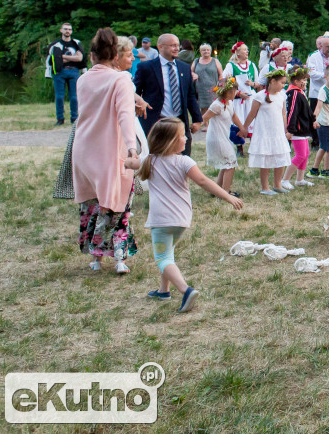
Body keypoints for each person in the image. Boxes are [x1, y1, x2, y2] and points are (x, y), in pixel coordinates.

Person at [137, 118, 243, 313]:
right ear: (170, 141)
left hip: (161, 221)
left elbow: (131, 163)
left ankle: (185, 290)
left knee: (162, 258)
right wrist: (227, 196)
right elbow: (203, 182)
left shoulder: (149, 161)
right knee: (168, 254)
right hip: (181, 220)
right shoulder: (184, 161)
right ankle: (163, 290)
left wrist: (124, 160)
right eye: (182, 136)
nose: (186, 138)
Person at [73, 28, 140, 274]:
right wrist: (132, 149)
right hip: (110, 150)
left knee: (93, 205)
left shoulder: (82, 79)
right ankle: (119, 259)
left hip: (83, 149)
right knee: (118, 205)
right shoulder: (120, 79)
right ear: (114, 56)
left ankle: (96, 259)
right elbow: (125, 116)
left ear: (92, 56)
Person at [133, 34, 203, 156]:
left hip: (179, 122)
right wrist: (136, 105)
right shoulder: (146, 67)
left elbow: (190, 95)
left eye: (178, 45)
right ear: (160, 47)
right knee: (155, 160)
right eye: (173, 45)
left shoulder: (184, 68)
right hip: (156, 123)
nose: (177, 48)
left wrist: (197, 119)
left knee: (182, 160)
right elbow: (135, 92)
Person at [241, 69, 292, 195]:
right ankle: (265, 187)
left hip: (278, 132)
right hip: (264, 132)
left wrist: (286, 129)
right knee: (266, 159)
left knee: (280, 158)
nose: (283, 85)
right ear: (273, 81)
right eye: (282, 82)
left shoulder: (282, 95)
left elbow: (283, 114)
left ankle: (277, 184)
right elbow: (252, 114)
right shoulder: (260, 96)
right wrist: (244, 127)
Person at [201, 77, 244, 196]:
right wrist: (195, 126)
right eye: (231, 92)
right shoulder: (217, 105)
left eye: (234, 91)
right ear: (223, 92)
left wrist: (242, 127)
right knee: (231, 162)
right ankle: (225, 192)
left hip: (224, 136)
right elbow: (204, 118)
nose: (233, 94)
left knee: (226, 164)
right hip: (217, 137)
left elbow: (234, 116)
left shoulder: (229, 103)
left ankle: (217, 190)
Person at [222, 42, 260, 143]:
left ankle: (254, 145)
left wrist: (252, 84)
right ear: (237, 52)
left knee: (253, 121)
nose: (247, 51)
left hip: (250, 99)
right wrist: (238, 93)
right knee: (238, 121)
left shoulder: (252, 65)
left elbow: (258, 82)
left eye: (247, 49)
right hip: (238, 100)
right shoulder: (231, 66)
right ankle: (239, 146)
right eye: (244, 49)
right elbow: (223, 81)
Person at [49, 22, 85, 126]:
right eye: (65, 29)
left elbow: (80, 58)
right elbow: (53, 60)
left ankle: (74, 118)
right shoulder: (55, 45)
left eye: (69, 29)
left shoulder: (76, 43)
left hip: (74, 71)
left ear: (72, 31)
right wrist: (73, 58)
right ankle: (60, 118)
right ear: (61, 30)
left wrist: (62, 57)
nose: (67, 31)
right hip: (59, 72)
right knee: (59, 96)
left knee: (74, 96)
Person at [193, 44, 224, 115]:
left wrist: (221, 83)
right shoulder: (196, 61)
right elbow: (190, 71)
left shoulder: (215, 61)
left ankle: (214, 123)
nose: (206, 51)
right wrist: (194, 74)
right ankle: (205, 124)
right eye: (204, 50)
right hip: (200, 88)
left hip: (213, 88)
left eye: (208, 50)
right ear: (200, 51)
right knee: (203, 107)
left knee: (215, 106)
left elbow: (221, 73)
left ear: (210, 51)